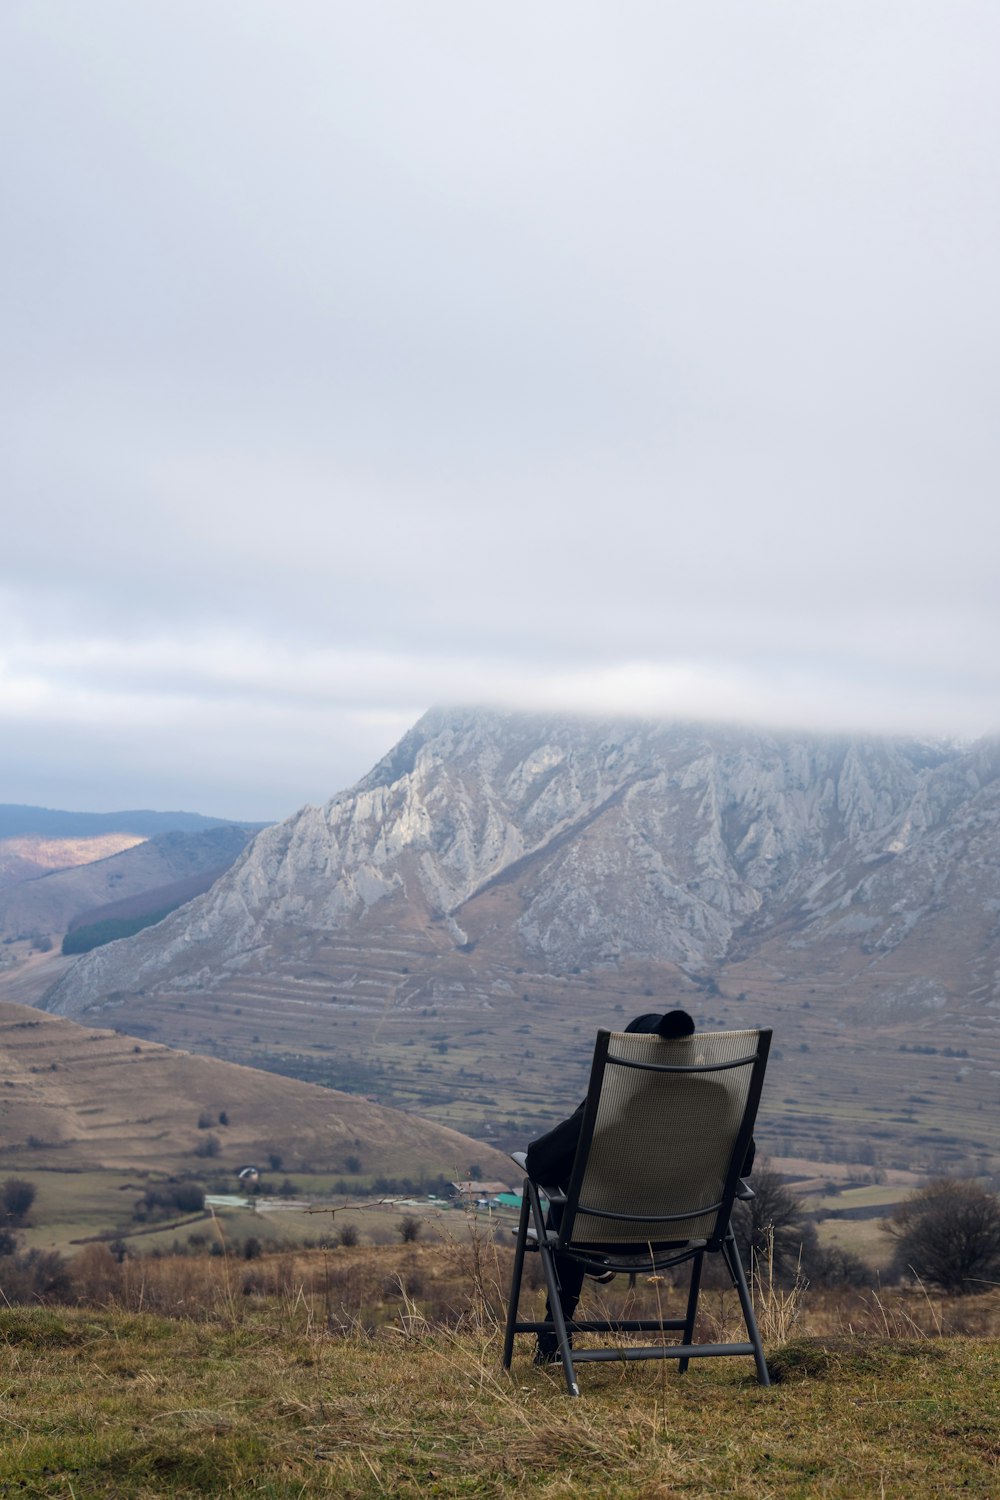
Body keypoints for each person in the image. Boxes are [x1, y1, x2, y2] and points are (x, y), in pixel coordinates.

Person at [524, 1008, 755, 1363]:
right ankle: (567, 1313)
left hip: (602, 1230)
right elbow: (745, 1164)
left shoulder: (613, 1103)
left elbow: (540, 1163)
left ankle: (556, 1334)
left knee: (565, 1199)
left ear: (633, 1058)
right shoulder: (719, 1100)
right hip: (685, 1227)